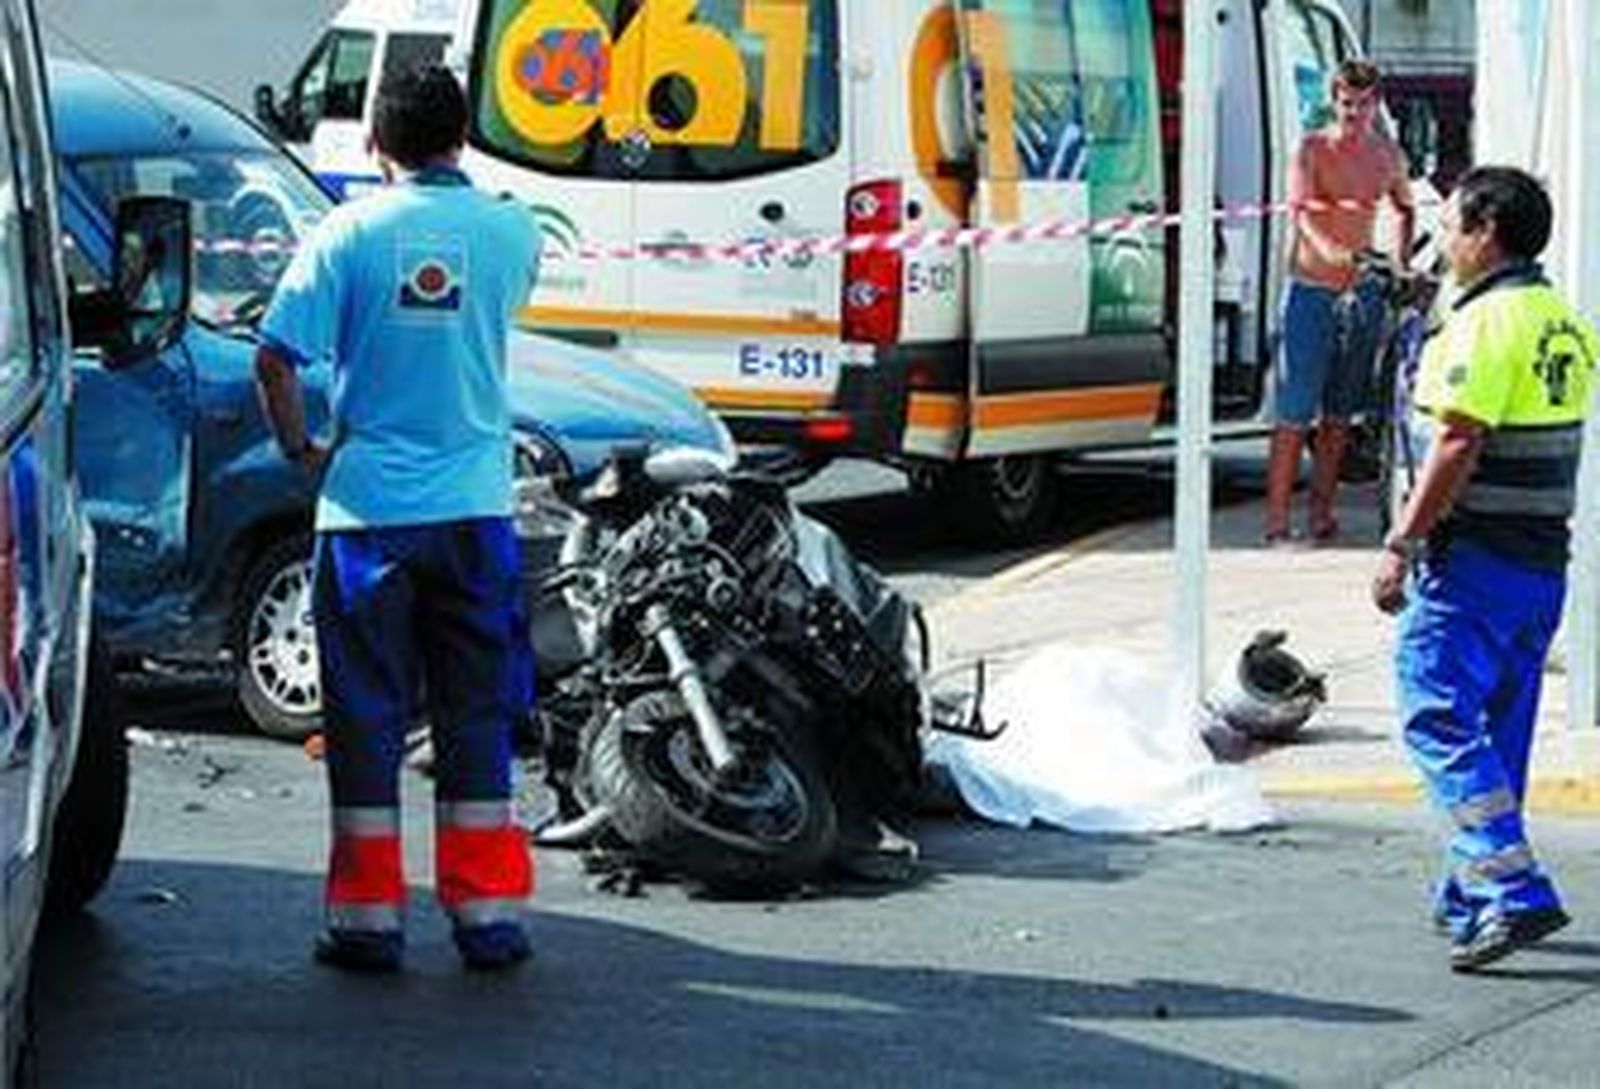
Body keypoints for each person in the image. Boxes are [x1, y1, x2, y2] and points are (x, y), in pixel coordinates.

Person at [254, 65, 542, 972]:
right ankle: (487, 916)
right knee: (476, 712)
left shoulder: (346, 233)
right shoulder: (511, 230)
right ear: (464, 136)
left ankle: (367, 923)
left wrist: (305, 453)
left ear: (376, 144)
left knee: (365, 717)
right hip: (475, 511)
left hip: (367, 513)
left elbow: (274, 358)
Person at [1371, 166, 1596, 972]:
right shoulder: (1561, 318)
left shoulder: (1482, 322)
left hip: (1473, 563)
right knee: (1499, 731)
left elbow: (1458, 441)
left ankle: (1510, 887)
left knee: (1435, 714)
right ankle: (1471, 892)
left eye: (1455, 224)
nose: (1446, 241)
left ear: (1485, 231)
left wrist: (1400, 541)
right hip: (1541, 564)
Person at [1267, 59, 1416, 542]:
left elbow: (1405, 208)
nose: (1354, 113)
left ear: (1376, 104)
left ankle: (1321, 513)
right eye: (1346, 103)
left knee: (1340, 413)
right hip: (1311, 289)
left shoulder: (1387, 155)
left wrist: (1400, 262)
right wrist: (1328, 248)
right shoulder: (1311, 148)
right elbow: (1301, 212)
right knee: (1294, 410)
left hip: (1363, 291)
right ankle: (1276, 522)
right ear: (1334, 101)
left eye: (1364, 104)